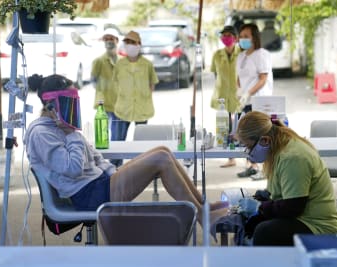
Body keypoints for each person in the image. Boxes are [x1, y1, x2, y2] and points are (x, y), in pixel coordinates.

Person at [24, 74, 228, 226]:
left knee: (163, 151)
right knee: (160, 159)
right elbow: (73, 168)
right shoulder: (43, 133)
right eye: (69, 102)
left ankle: (203, 206)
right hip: (88, 196)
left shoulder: (59, 125)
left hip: (100, 185)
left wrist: (117, 175)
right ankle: (203, 217)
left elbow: (95, 157)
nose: (74, 107)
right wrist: (72, 134)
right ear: (52, 105)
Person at [236, 111, 337, 246]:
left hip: (318, 226)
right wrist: (263, 199)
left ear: (264, 140)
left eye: (249, 146)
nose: (248, 152)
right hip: (300, 217)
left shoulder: (292, 157)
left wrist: (260, 208)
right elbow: (281, 193)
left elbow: (293, 207)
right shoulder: (278, 149)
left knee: (264, 232)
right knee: (251, 223)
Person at [112, 30, 158, 166]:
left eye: (133, 42)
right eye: (127, 43)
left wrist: (144, 96)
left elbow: (152, 83)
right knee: (118, 143)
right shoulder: (119, 64)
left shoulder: (147, 64)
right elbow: (115, 83)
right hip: (123, 108)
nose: (130, 45)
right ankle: (114, 169)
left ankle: (141, 168)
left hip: (142, 108)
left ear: (139, 45)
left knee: (142, 144)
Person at [236, 23, 273, 179]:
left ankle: (266, 169)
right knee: (247, 134)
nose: (242, 39)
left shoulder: (261, 54)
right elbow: (239, 78)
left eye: (246, 36)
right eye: (241, 36)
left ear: (254, 37)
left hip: (259, 100)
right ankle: (252, 165)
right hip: (245, 100)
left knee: (261, 135)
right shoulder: (241, 56)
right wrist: (240, 92)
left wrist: (248, 93)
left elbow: (263, 78)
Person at [210, 25, 241, 168]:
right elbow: (214, 74)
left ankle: (249, 160)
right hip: (222, 95)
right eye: (224, 35)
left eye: (229, 35)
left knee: (242, 126)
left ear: (235, 38)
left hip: (238, 94)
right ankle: (231, 157)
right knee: (226, 127)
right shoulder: (217, 54)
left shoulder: (242, 53)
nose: (226, 38)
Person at [91, 28, 120, 166]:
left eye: (111, 38)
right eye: (106, 39)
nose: (109, 41)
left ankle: (116, 166)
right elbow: (93, 79)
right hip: (104, 104)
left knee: (117, 138)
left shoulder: (122, 61)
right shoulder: (98, 61)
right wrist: (103, 88)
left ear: (117, 41)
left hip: (119, 105)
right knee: (103, 137)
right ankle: (103, 166)